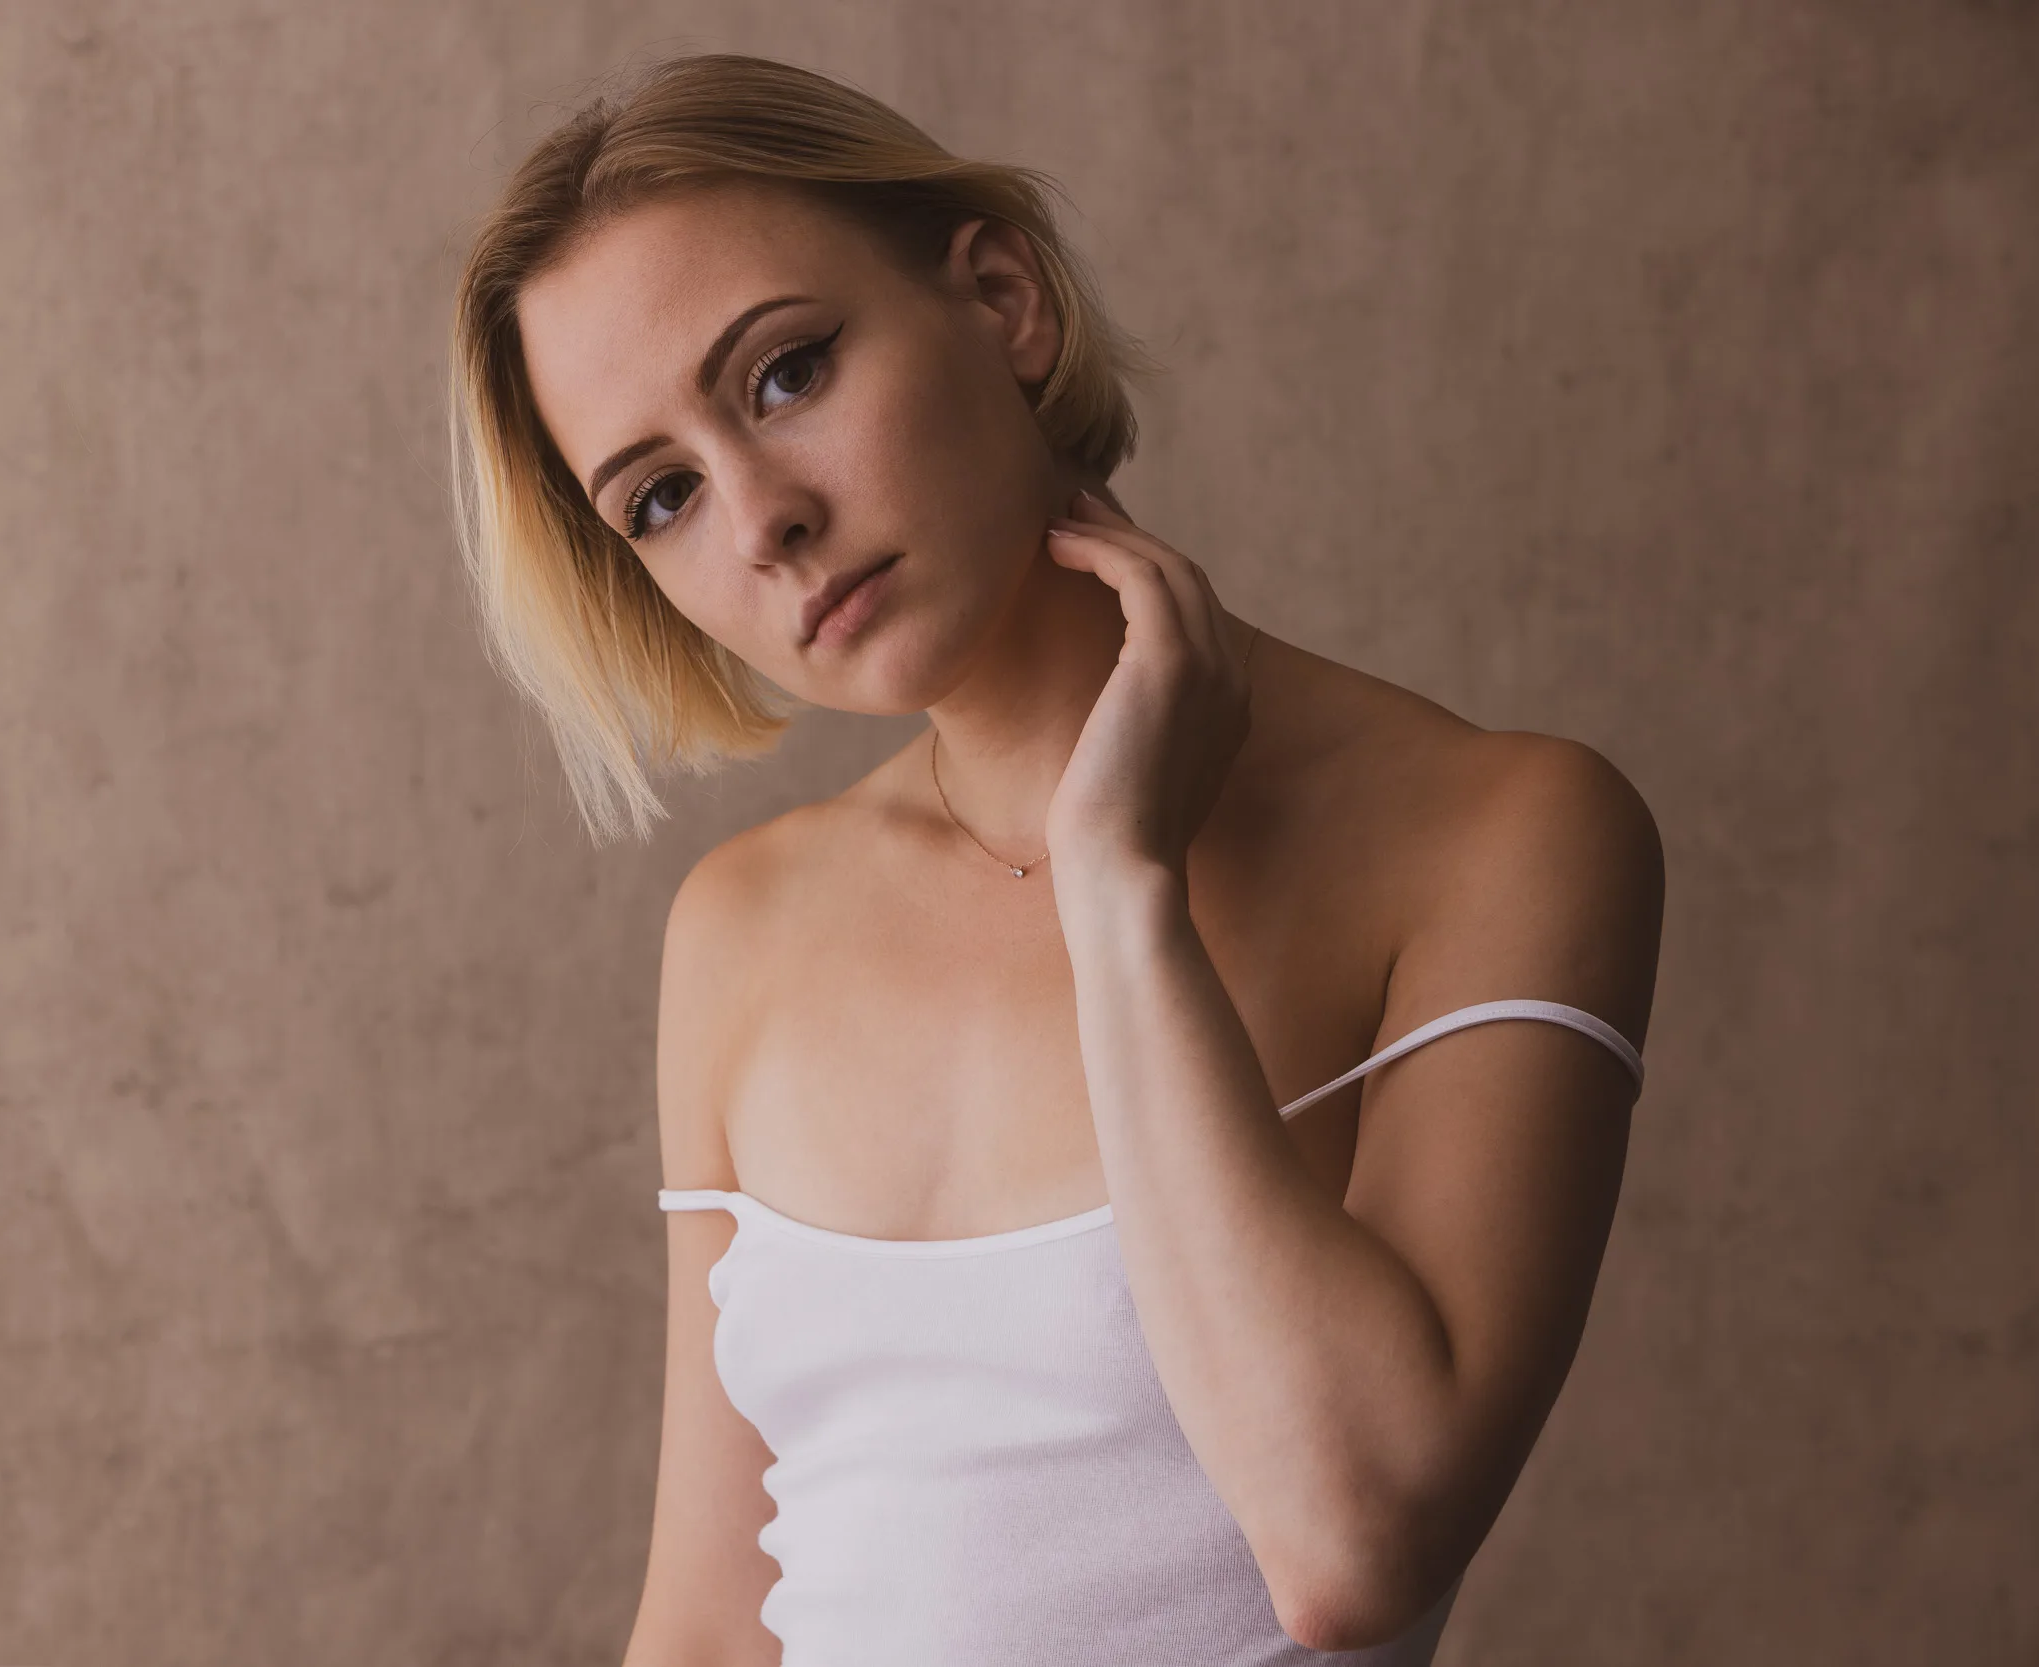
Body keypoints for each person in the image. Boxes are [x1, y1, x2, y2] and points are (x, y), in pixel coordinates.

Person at [449, 51, 1664, 1667]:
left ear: (1003, 300)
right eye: (660, 494)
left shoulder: (1502, 837)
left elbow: (1353, 1542)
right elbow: (705, 1632)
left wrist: (1122, 889)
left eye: (788, 373)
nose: (759, 518)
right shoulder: (742, 927)